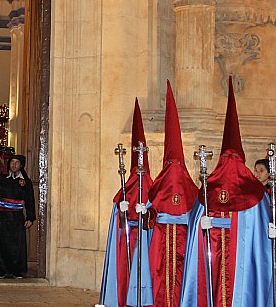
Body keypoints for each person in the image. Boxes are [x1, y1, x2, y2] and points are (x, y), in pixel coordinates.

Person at [180, 77, 273, 306]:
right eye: (228, 158)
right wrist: (202, 223)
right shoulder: (249, 193)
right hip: (214, 257)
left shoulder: (251, 193)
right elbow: (195, 225)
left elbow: (261, 238)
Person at [146, 81, 198, 306]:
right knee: (160, 273)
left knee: (183, 271)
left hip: (182, 238)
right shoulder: (162, 183)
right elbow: (150, 213)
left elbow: (197, 209)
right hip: (163, 237)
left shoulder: (180, 183)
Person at [99, 99, 154, 306]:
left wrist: (147, 212)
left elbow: (158, 215)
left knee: (144, 270)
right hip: (128, 238)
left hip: (146, 239)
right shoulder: (126, 187)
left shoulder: (152, 186)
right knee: (124, 271)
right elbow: (118, 221)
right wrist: (120, 211)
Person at [0, 154, 36, 279]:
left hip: (17, 218)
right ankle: (1, 270)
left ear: (21, 165)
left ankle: (16, 271)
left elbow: (30, 200)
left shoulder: (25, 182)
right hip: (3, 216)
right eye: (12, 162)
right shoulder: (1, 179)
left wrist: (30, 218)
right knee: (2, 244)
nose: (14, 165)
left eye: (17, 162)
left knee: (17, 245)